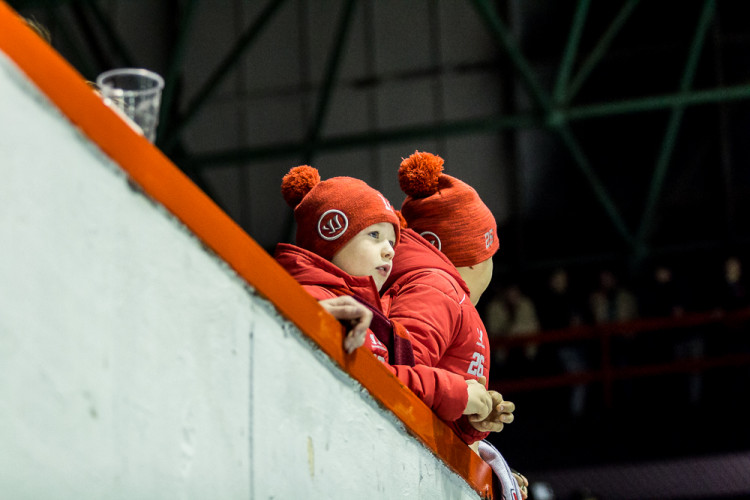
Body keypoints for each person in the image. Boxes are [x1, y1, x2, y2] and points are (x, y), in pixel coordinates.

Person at [274, 165, 495, 426]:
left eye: (391, 242)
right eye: (374, 235)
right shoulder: (320, 302)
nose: (390, 251)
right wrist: (458, 394)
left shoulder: (362, 311)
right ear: (331, 235)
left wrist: (468, 420)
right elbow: (381, 381)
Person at [382, 151, 525, 498]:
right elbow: (401, 379)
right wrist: (463, 396)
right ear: (474, 260)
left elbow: (429, 393)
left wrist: (470, 420)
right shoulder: (436, 289)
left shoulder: (442, 293)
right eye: (490, 256)